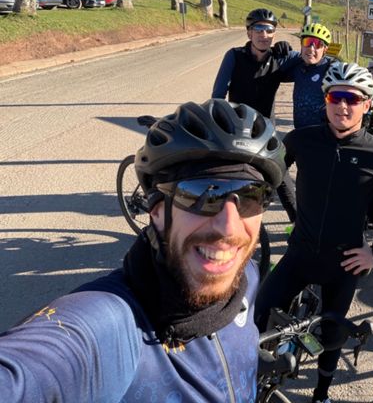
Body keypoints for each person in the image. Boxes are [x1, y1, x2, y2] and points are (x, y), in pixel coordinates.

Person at [0, 99, 286, 402]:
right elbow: (31, 370)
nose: (229, 228)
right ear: (157, 211)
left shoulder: (248, 277)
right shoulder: (111, 326)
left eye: (252, 196)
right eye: (204, 194)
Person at [254, 62, 373, 403]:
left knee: (332, 336)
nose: (343, 105)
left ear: (367, 104)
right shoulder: (302, 139)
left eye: (352, 98)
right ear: (326, 100)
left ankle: (321, 394)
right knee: (258, 316)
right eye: (335, 96)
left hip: (342, 264)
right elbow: (270, 175)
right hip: (300, 254)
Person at [211, 7, 297, 220]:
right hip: (236, 130)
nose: (264, 35)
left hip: (265, 132)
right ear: (249, 33)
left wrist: (292, 49)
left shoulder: (280, 59)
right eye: (258, 29)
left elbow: (311, 59)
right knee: (227, 179)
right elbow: (218, 95)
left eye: (269, 30)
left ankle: (301, 228)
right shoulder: (234, 56)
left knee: (282, 178)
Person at [280, 22, 337, 129]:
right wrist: (277, 51)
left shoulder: (331, 69)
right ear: (301, 44)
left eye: (318, 44)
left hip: (324, 135)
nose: (311, 48)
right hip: (300, 132)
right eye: (307, 42)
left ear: (325, 49)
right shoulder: (297, 65)